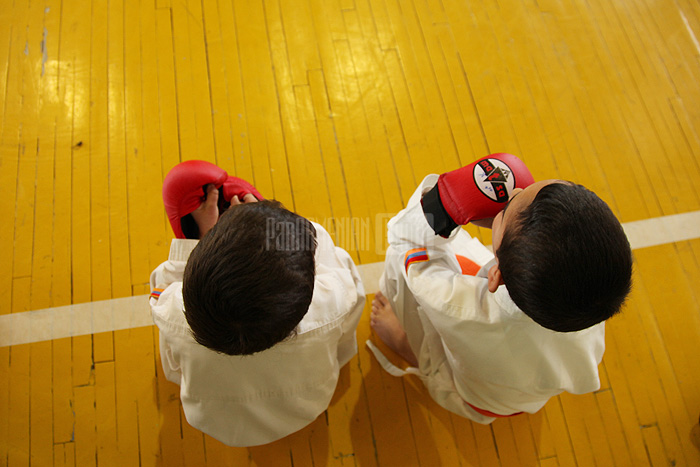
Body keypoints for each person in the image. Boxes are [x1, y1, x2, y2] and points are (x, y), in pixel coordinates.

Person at [368, 153, 633, 423]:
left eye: (506, 209)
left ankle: (410, 349)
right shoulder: (593, 286)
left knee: (402, 267)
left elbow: (406, 241)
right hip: (523, 393)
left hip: (470, 395)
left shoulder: (462, 307)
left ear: (496, 277)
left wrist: (444, 204)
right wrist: (505, 223)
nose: (516, 189)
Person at [149, 160, 365, 446]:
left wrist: (209, 237)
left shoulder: (172, 310)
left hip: (216, 420)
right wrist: (264, 224)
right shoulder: (333, 299)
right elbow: (318, 246)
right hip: (307, 406)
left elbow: (169, 282)